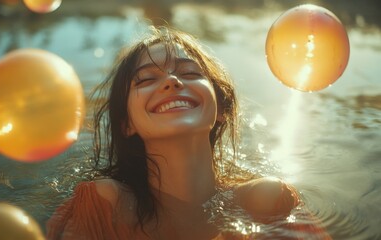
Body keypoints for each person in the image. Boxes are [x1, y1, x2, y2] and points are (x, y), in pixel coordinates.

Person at [46, 26, 331, 240]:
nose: (171, 81)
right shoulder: (105, 203)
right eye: (146, 79)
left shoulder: (267, 201)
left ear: (221, 109)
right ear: (126, 124)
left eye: (191, 73)